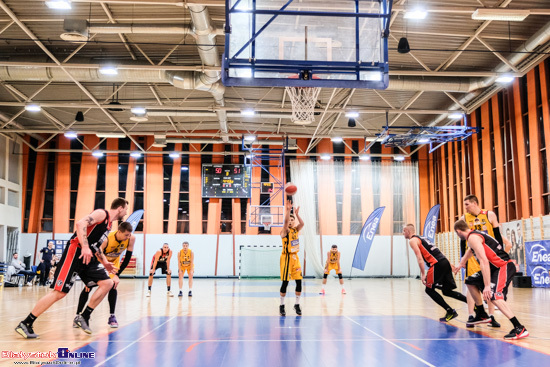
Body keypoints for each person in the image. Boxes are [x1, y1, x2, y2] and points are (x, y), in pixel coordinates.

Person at [15, 198, 129, 339]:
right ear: (120, 208)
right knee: (59, 293)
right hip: (75, 252)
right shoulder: (102, 214)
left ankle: (84, 316)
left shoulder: (109, 225)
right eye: (126, 209)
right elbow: (80, 223)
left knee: (108, 283)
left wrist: (104, 262)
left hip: (89, 257)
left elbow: (97, 246)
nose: (126, 212)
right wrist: (85, 246)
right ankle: (26, 323)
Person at [453, 219, 529, 340]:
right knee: (470, 281)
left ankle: (519, 327)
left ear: (458, 231)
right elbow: (470, 250)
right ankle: (482, 314)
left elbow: (484, 261)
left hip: (503, 266)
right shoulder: (473, 236)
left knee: (493, 295)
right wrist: (461, 263)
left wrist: (487, 286)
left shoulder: (472, 237)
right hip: (496, 268)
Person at [460, 195, 511, 328]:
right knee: (470, 284)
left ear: (475, 203)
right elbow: (462, 241)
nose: (465, 207)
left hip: (489, 255)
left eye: (467, 204)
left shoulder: (489, 215)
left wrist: (501, 253)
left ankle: (491, 316)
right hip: (472, 256)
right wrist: (462, 260)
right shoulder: (464, 218)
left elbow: (497, 235)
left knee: (489, 286)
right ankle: (471, 315)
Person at [75, 222, 135, 328]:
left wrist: (117, 274)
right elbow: (96, 253)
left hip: (113, 265)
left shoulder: (131, 238)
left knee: (113, 285)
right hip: (100, 262)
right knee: (88, 287)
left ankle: (112, 316)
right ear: (119, 232)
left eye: (129, 235)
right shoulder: (107, 238)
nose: (128, 237)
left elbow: (127, 258)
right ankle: (78, 315)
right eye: (126, 235)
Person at [403, 224, 467, 322]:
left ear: (408, 231)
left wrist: (423, 274)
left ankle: (450, 311)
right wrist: (449, 263)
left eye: (404, 231)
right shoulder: (423, 238)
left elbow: (419, 258)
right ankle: (474, 304)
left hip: (437, 264)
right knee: (447, 291)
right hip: (443, 262)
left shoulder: (412, 240)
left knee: (429, 290)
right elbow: (438, 251)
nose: (403, 233)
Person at [279, 199, 304, 317]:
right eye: (289, 220)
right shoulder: (285, 231)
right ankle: (282, 305)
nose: (290, 221)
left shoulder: (296, 230)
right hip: (286, 259)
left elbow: (302, 224)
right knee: (285, 283)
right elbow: (284, 222)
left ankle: (297, 304)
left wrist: (297, 214)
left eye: (292, 220)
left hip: (295, 259)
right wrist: (288, 211)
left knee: (299, 282)